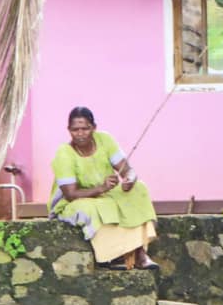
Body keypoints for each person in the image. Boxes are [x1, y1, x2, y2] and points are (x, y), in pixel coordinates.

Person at [48, 107, 159, 270]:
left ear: (94, 127)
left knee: (139, 189)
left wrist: (129, 180)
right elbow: (70, 194)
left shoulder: (105, 140)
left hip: (106, 193)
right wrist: (101, 188)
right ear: (68, 130)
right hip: (74, 201)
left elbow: (128, 170)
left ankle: (140, 253)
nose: (80, 134)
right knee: (95, 207)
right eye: (75, 130)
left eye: (85, 129)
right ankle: (113, 256)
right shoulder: (64, 153)